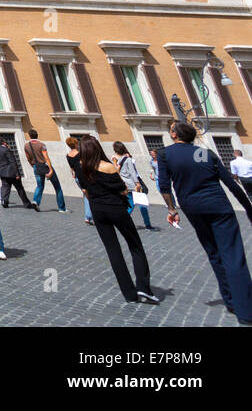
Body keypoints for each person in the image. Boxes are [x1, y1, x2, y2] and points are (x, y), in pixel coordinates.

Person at [158, 121, 252, 323]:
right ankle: (246, 310)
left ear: (174, 135)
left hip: (193, 209)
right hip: (219, 207)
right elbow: (231, 184)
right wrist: (248, 208)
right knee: (233, 255)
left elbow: (164, 186)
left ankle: (231, 301)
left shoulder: (165, 154)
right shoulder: (203, 154)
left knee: (214, 252)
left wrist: (172, 210)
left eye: (171, 129)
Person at [80, 135, 159, 305]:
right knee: (135, 245)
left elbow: (85, 190)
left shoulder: (82, 168)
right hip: (115, 209)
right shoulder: (108, 166)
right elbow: (123, 190)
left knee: (113, 251)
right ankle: (143, 288)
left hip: (97, 211)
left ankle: (129, 294)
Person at [113, 141, 154, 231]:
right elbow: (132, 172)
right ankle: (146, 223)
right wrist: (137, 183)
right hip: (132, 184)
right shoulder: (128, 159)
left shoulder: (118, 160)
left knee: (129, 203)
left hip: (125, 184)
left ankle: (122, 220)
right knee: (138, 203)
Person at [25, 129, 67, 213]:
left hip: (36, 167)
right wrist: (51, 169)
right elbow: (46, 157)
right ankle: (61, 208)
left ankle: (35, 201)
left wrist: (32, 165)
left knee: (39, 186)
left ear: (30, 136)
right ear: (37, 135)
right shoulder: (42, 145)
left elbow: (28, 157)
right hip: (45, 166)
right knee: (57, 187)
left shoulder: (26, 145)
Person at [0, 137, 34, 209]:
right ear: (3, 142)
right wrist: (17, 173)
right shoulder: (6, 150)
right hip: (11, 172)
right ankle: (27, 204)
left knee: (5, 187)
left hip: (2, 172)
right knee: (20, 188)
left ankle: (4, 201)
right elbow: (13, 162)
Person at [65, 136, 94, 224]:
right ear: (75, 144)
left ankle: (87, 216)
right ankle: (91, 216)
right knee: (91, 195)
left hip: (77, 178)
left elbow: (72, 168)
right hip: (84, 176)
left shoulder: (68, 155)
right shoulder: (80, 154)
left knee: (86, 195)